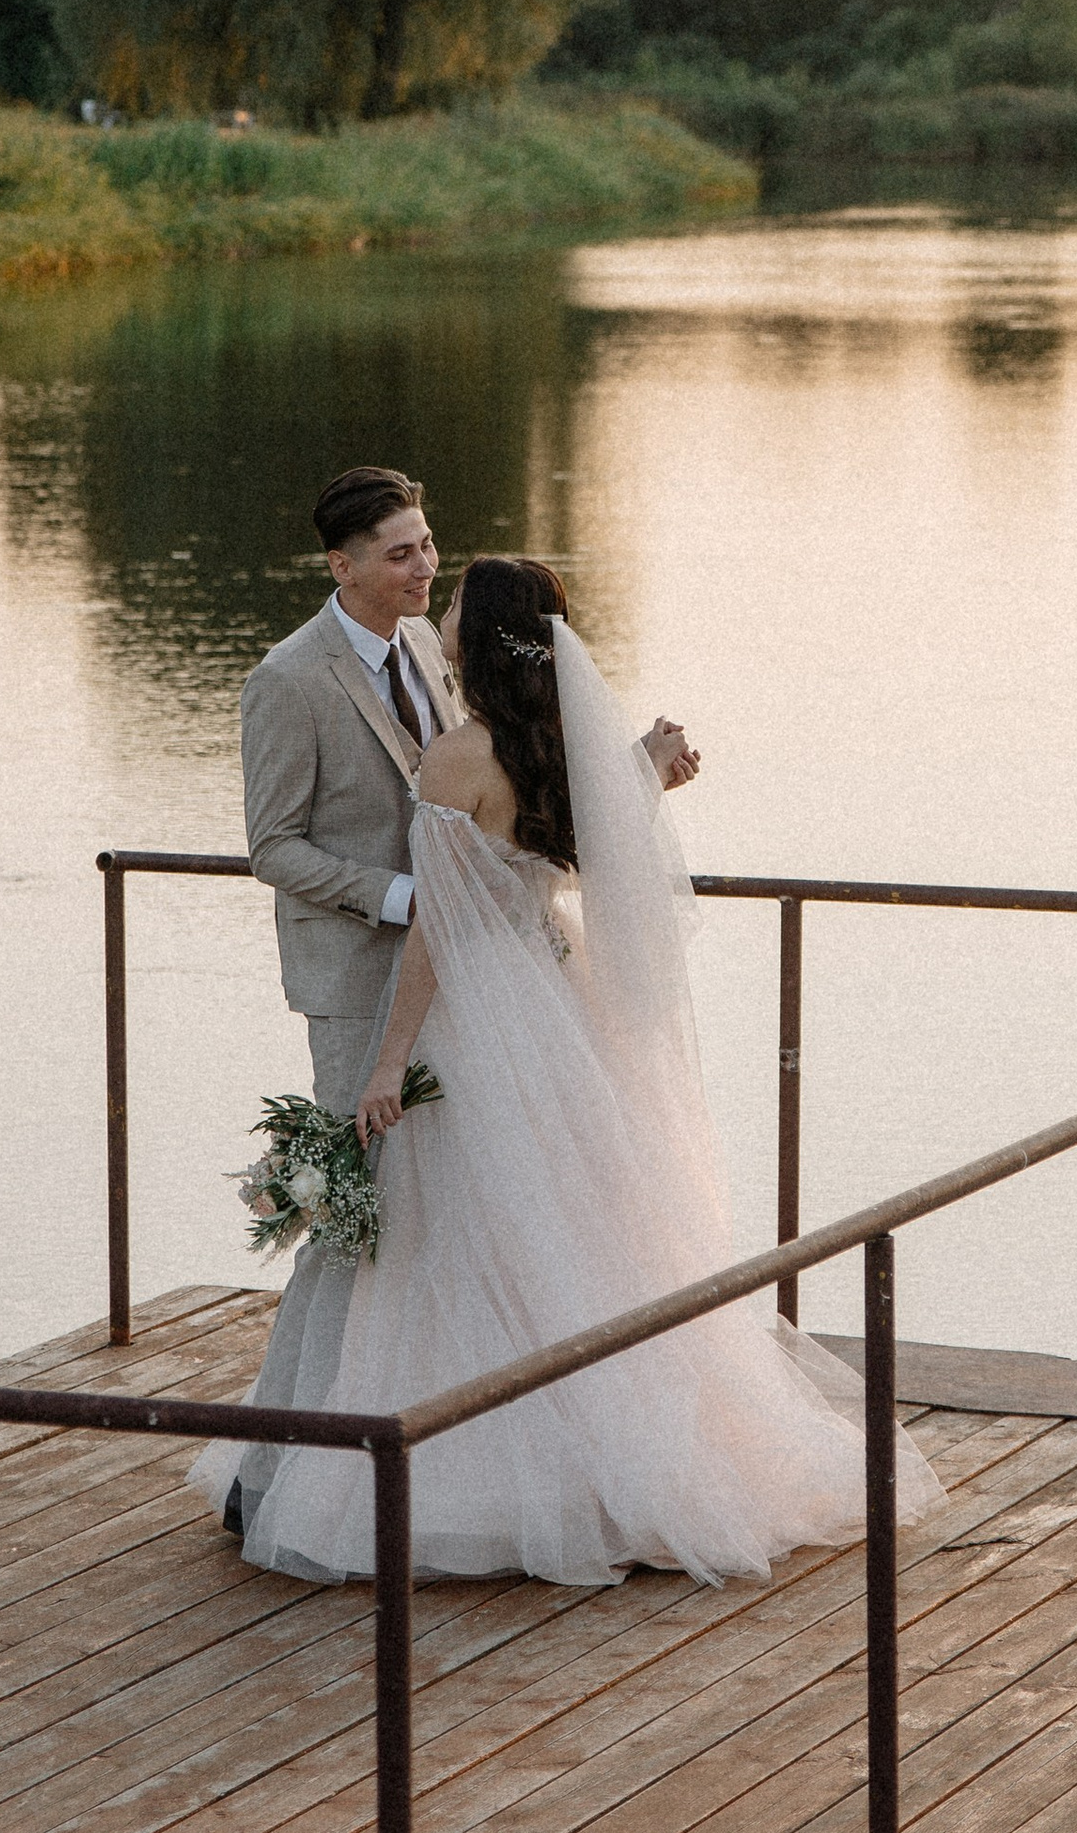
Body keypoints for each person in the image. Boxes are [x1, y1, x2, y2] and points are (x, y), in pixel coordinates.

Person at [199, 556, 941, 1587]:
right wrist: (641, 767)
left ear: (477, 634)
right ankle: (613, 1450)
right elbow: (572, 855)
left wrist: (385, 1061)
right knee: (577, 1225)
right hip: (555, 998)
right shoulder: (561, 747)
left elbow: (435, 936)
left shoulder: (458, 760)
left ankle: (491, 1472)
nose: (441, 610)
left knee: (463, 1230)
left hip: (477, 1008)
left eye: (455, 600)